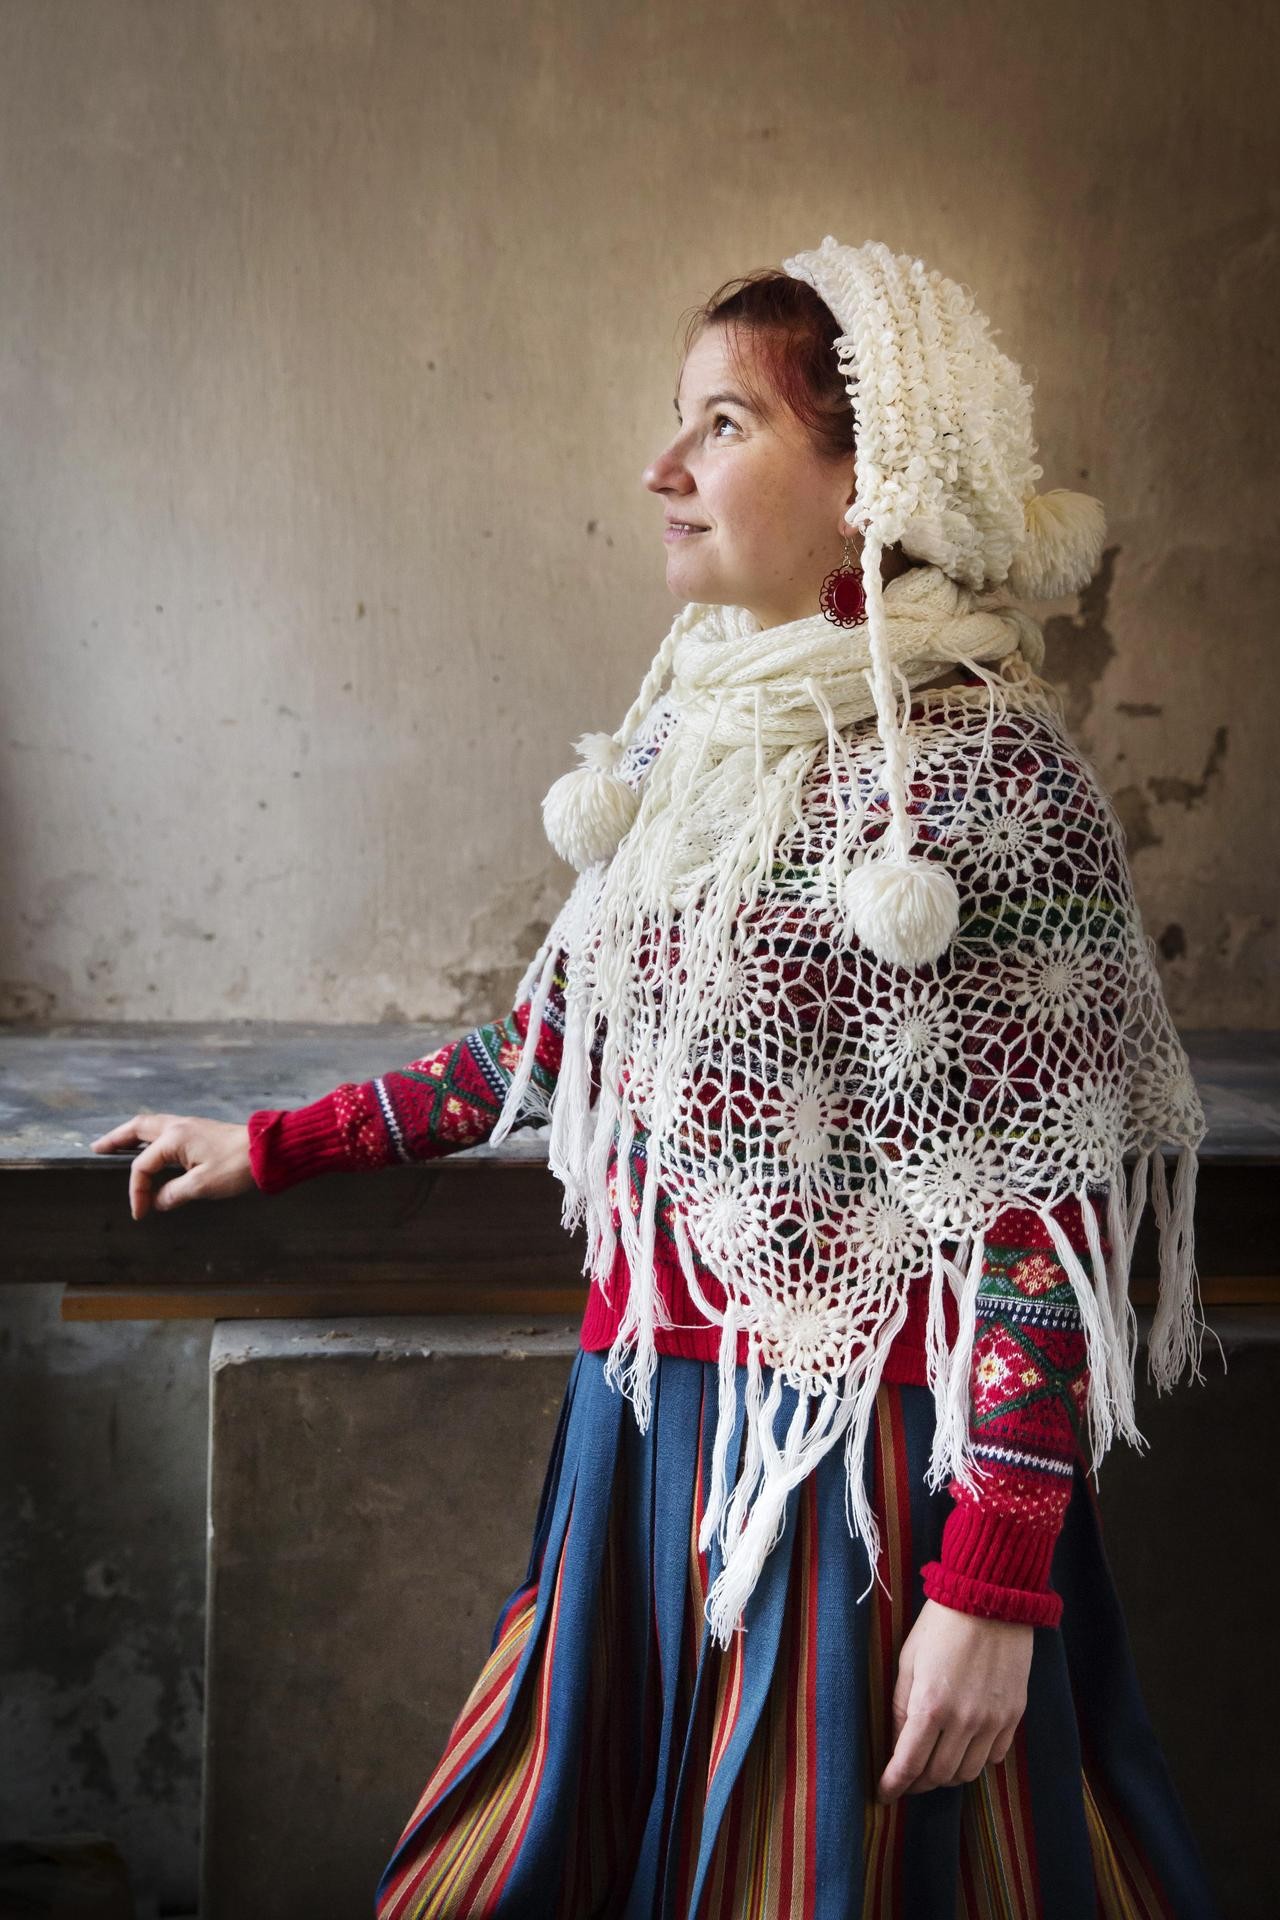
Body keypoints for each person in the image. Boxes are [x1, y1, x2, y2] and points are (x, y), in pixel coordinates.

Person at [92, 238, 1222, 1918]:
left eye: (725, 424)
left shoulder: (994, 779)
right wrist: (272, 1145)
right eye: (679, 421)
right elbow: (553, 1044)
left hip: (863, 1485)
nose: (663, 468)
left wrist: (992, 1588)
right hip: (646, 1440)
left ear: (870, 480)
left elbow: (1039, 1223)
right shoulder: (691, 738)